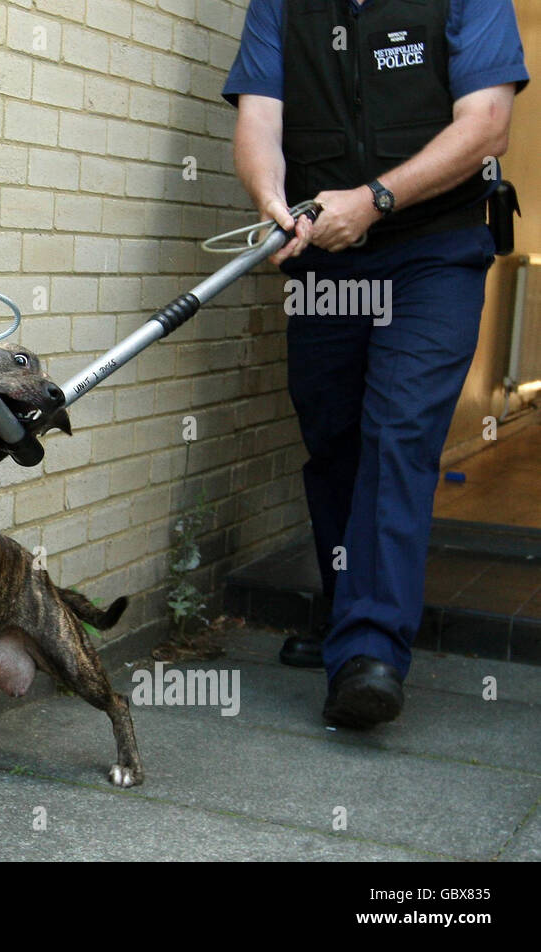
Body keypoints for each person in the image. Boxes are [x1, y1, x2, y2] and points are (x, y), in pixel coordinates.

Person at [221, 0, 528, 727]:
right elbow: (260, 119)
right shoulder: (282, 7)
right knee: (333, 437)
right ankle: (346, 614)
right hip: (330, 261)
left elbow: (487, 122)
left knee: (397, 433)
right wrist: (271, 201)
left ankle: (370, 652)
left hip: (436, 252)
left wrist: (376, 199)